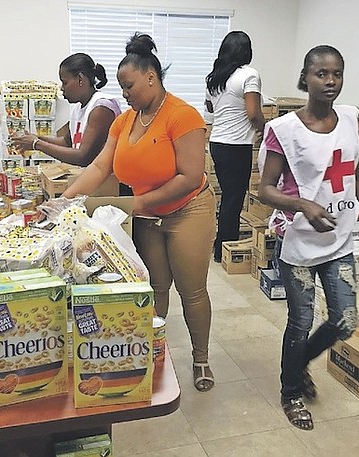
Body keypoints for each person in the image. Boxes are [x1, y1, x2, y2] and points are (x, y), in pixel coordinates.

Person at [63, 33, 217, 392]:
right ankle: (153, 350)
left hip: (187, 210)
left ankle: (201, 358)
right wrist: (67, 200)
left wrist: (140, 205)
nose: (125, 94)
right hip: (146, 213)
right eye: (121, 87)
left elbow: (190, 176)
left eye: (129, 86)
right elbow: (100, 167)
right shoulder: (126, 120)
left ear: (151, 77)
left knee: (191, 291)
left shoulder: (183, 116)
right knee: (153, 286)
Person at [258, 45, 359, 430]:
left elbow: (356, 180)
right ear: (306, 77)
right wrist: (302, 205)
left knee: (346, 320)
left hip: (339, 241)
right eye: (321, 74)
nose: (330, 81)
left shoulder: (351, 118)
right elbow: (265, 189)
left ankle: (296, 365)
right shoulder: (284, 130)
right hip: (299, 243)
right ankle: (291, 391)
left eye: (336, 73)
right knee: (300, 322)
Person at [205, 31, 265, 262]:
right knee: (234, 198)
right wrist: (265, 126)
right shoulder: (250, 75)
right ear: (246, 51)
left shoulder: (215, 78)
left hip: (218, 143)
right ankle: (224, 249)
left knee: (228, 197)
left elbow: (209, 111)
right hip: (237, 146)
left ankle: (221, 245)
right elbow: (253, 112)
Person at [11, 53, 121, 167]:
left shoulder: (101, 108)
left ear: (80, 79)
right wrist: (35, 138)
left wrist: (36, 144)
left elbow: (83, 156)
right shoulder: (77, 108)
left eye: (65, 82)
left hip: (107, 182)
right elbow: (67, 142)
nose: (62, 88)